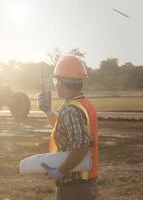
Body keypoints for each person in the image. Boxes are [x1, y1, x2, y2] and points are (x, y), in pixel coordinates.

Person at [38, 55, 99, 200]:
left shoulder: (70, 110)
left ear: (60, 83)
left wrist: (60, 171)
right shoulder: (83, 104)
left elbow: (81, 147)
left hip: (74, 188)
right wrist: (48, 111)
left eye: (55, 81)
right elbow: (67, 131)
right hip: (85, 184)